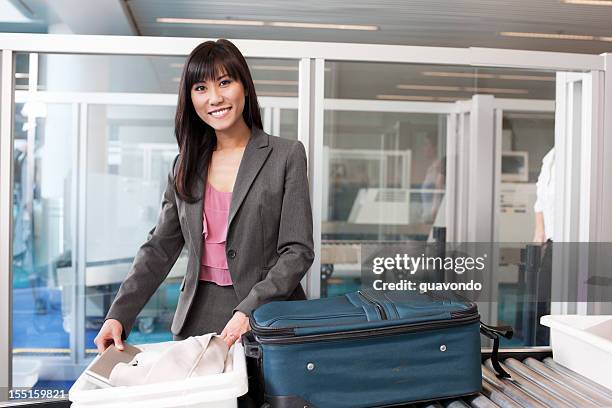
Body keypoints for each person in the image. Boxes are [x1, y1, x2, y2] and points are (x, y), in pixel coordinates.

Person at [94, 39, 314, 353]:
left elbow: (298, 250)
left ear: (245, 88)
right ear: (190, 97)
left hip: (267, 315)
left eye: (225, 82)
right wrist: (119, 314)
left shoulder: (285, 155)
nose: (215, 98)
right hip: (197, 321)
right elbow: (159, 247)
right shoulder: (185, 164)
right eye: (201, 88)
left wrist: (249, 309)